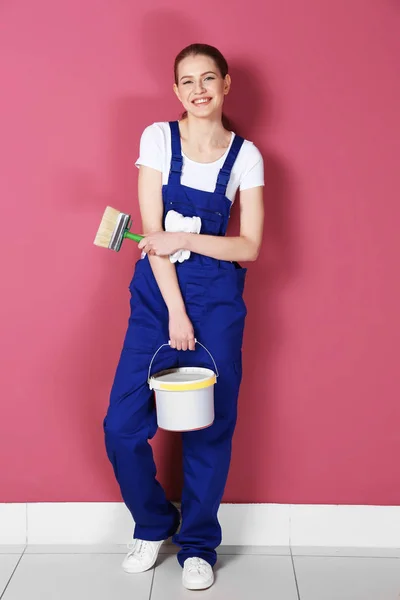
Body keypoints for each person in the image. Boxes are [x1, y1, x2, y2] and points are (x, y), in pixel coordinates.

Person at [103, 43, 264, 591]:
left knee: (210, 428)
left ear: (225, 85)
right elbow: (151, 238)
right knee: (121, 427)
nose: (198, 90)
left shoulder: (246, 156)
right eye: (187, 81)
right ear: (176, 91)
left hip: (218, 304)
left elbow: (249, 248)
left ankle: (197, 544)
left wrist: (185, 237)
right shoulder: (156, 139)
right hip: (157, 300)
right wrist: (175, 311)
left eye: (208, 79)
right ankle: (153, 524)